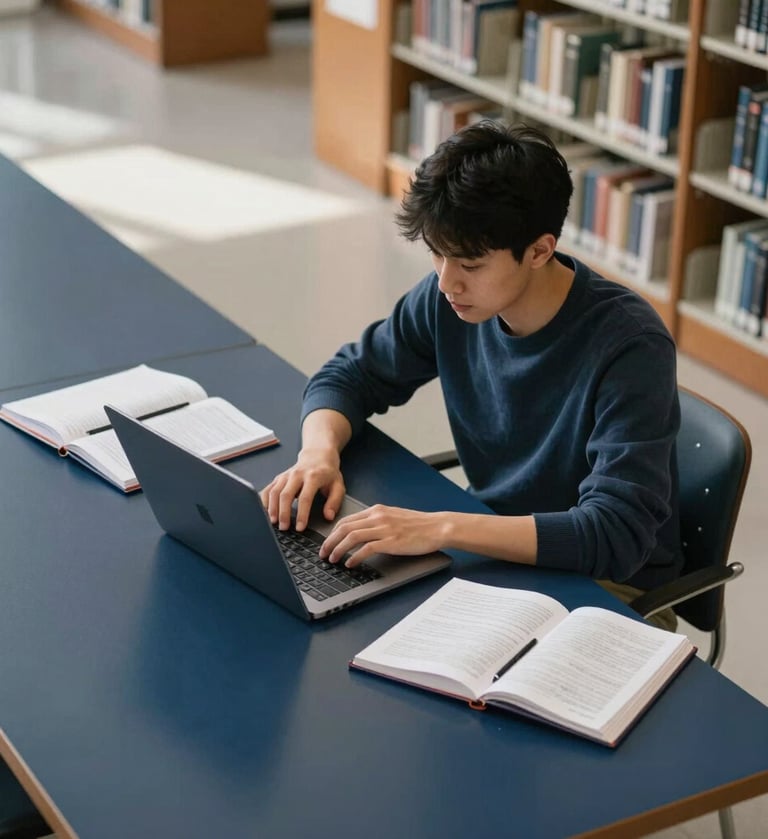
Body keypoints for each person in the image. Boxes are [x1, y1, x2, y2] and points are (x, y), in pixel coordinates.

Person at [261, 121, 683, 630]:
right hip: (493, 543)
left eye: (470, 264)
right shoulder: (452, 297)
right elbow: (350, 374)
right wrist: (318, 455)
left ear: (540, 250)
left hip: (607, 587)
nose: (445, 281)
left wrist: (442, 527)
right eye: (437, 255)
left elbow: (614, 535)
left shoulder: (630, 346)